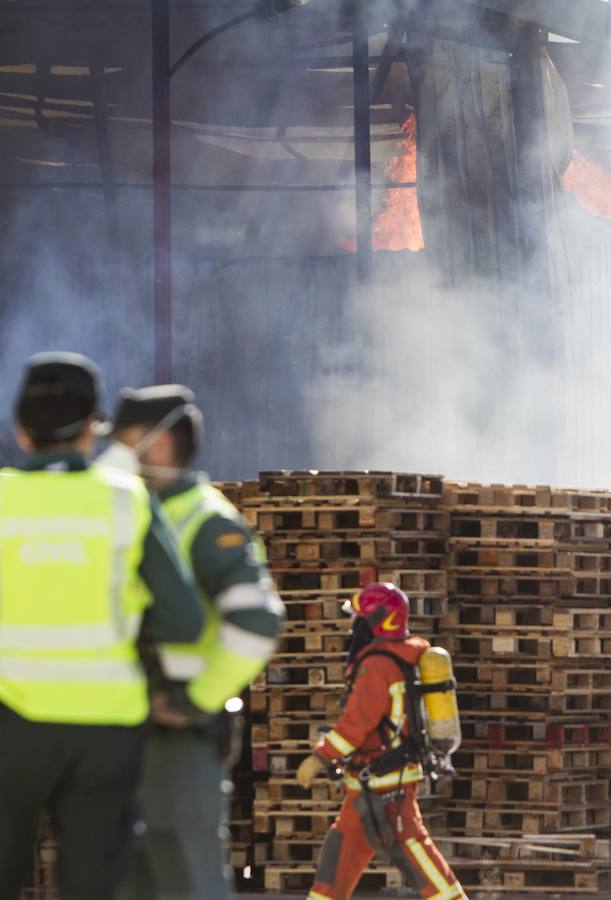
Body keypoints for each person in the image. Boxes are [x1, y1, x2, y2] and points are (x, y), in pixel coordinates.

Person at [0, 353, 203, 900]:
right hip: (105, 733)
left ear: (20, 428)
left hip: (10, 727)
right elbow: (184, 620)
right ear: (95, 426)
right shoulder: (127, 501)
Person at [102, 384, 285, 900]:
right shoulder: (124, 512)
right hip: (123, 734)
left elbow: (256, 624)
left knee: (185, 876)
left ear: (157, 446)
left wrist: (195, 702)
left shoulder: (207, 521)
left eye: (124, 441)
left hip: (176, 742)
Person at [296, 582, 468, 900]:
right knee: (335, 867)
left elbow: (356, 723)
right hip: (366, 788)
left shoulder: (377, 666)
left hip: (386, 788)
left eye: (359, 618)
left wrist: (319, 757)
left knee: (418, 857)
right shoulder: (400, 658)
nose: (354, 626)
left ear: (376, 621)